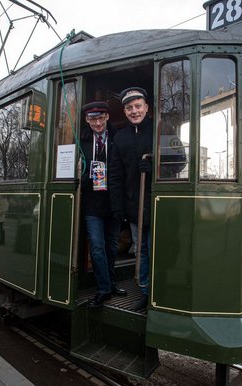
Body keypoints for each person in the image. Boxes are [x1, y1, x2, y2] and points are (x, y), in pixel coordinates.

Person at [109, 87, 153, 311]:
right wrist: (117, 207)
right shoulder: (120, 137)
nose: (134, 111)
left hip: (158, 203)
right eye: (129, 108)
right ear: (125, 112)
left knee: (157, 247)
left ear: (146, 107)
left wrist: (155, 166)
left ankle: (160, 289)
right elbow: (115, 174)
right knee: (141, 249)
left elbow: (180, 161)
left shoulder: (160, 129)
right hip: (134, 204)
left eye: (138, 106)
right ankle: (146, 291)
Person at [80, 101, 127, 308]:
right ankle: (104, 288)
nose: (97, 123)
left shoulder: (119, 138)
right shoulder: (80, 140)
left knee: (111, 246)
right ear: (86, 120)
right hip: (92, 202)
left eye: (100, 118)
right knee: (97, 247)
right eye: (92, 119)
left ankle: (111, 283)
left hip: (113, 201)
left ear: (107, 117)